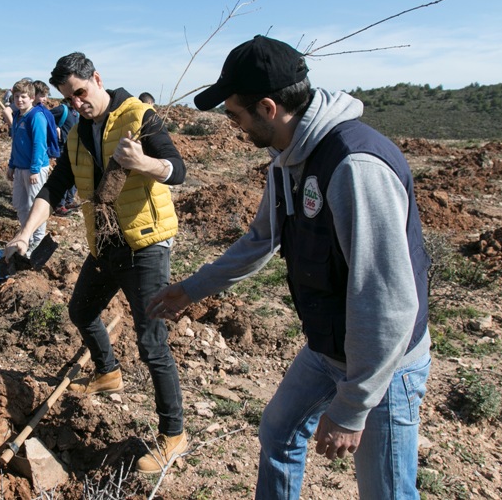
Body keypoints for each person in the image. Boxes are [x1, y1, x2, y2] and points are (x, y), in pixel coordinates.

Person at [148, 35, 432, 499]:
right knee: (279, 434)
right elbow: (262, 238)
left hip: (385, 362)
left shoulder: (354, 166)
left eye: (235, 115)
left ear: (267, 108)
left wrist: (353, 406)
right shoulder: (287, 159)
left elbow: (388, 301)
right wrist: (192, 289)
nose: (234, 127)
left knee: (386, 492)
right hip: (328, 347)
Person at [3, 52, 188, 474]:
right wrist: (23, 233)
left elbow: (178, 170)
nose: (78, 103)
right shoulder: (76, 132)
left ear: (97, 79)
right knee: (81, 310)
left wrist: (144, 163)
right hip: (105, 245)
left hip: (146, 245)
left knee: (151, 341)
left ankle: (174, 435)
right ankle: (108, 372)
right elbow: (54, 188)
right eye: (69, 98)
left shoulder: (139, 116)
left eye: (82, 93)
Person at [6, 79, 50, 252]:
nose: (19, 100)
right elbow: (15, 142)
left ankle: (37, 242)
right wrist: (11, 164)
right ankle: (27, 236)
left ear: (32, 97)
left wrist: (34, 169)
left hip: (34, 169)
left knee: (35, 206)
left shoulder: (36, 117)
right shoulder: (17, 116)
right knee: (20, 204)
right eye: (16, 96)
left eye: (23, 96)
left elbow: (40, 145)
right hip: (20, 167)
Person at [31, 80, 79, 217]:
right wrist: (55, 128)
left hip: (74, 147)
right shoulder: (62, 109)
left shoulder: (77, 112)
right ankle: (59, 205)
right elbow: (47, 118)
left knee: (74, 176)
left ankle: (69, 200)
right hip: (63, 148)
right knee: (63, 176)